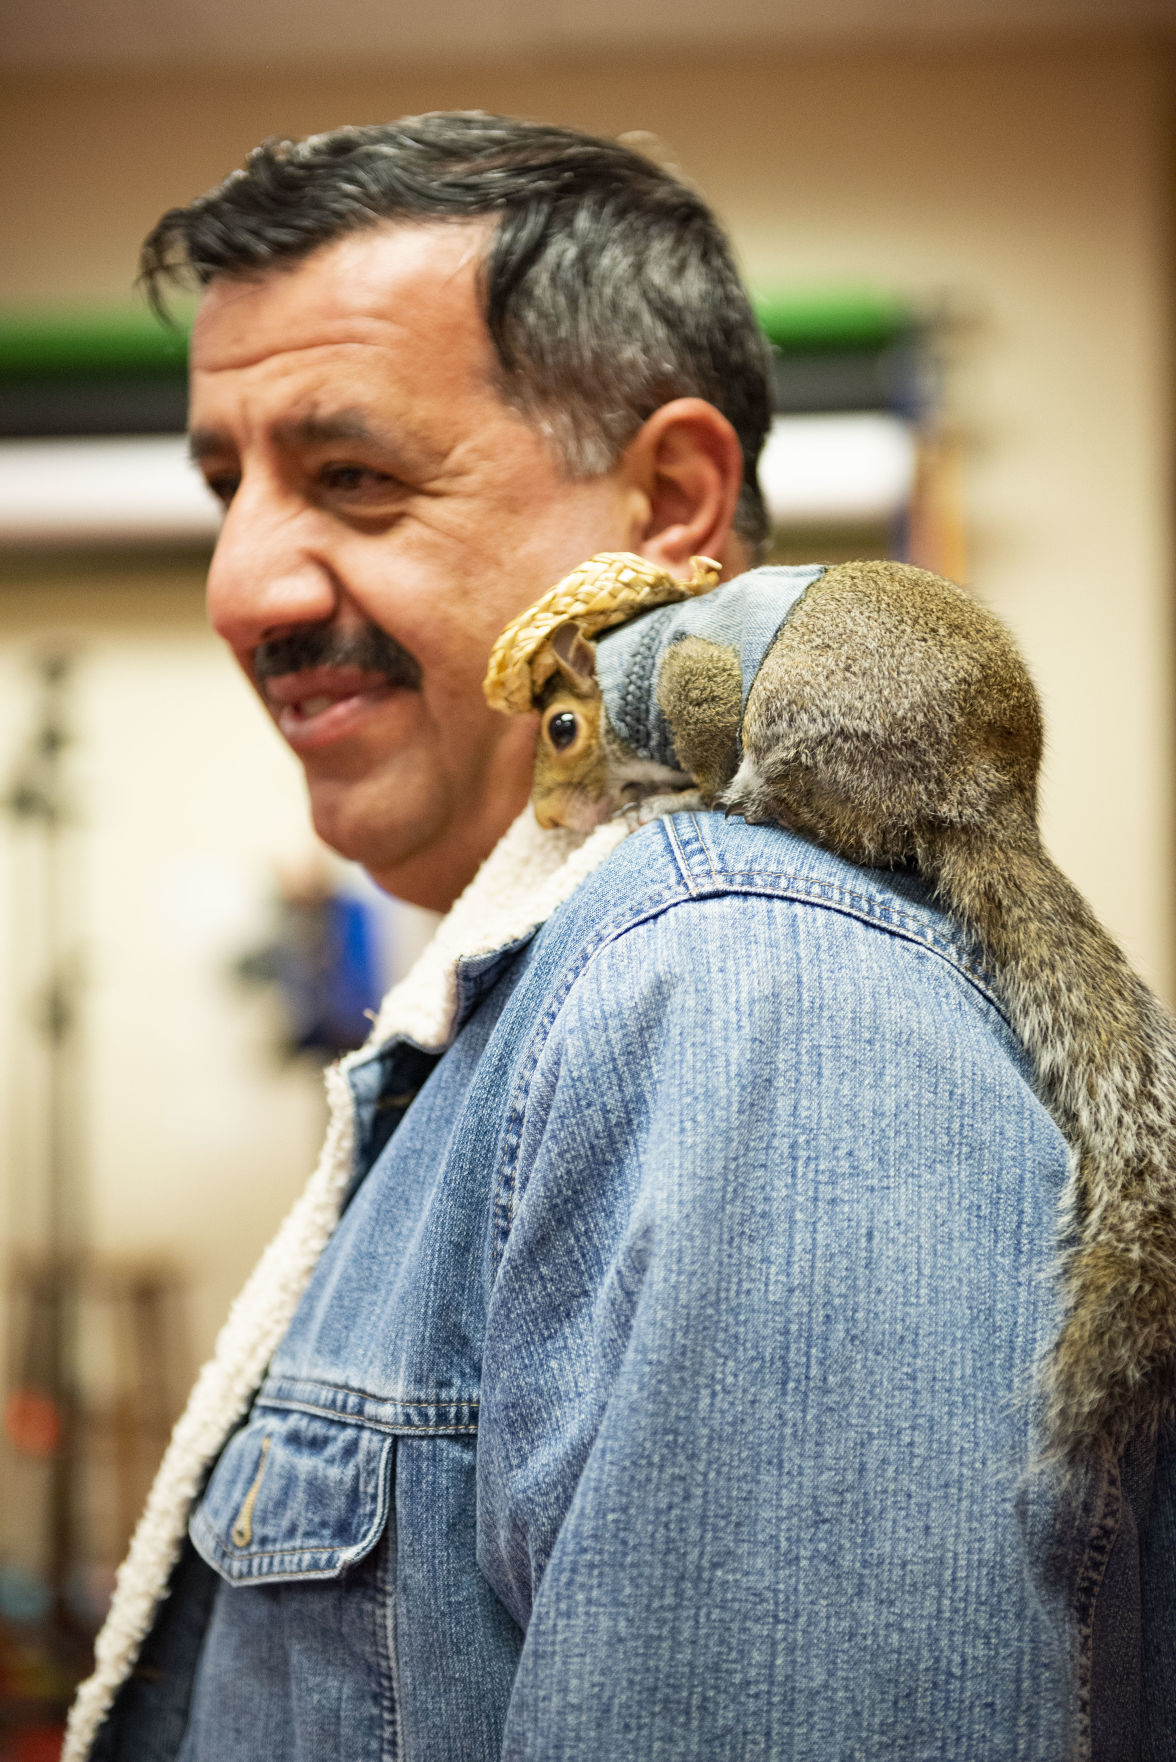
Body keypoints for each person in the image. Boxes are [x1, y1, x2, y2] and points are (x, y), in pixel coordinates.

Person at [64, 114, 1171, 1762]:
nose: (245, 588)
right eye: (230, 488)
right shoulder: (563, 997)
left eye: (354, 476)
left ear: (670, 499)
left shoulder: (745, 982)